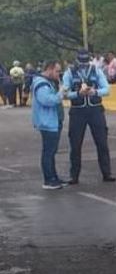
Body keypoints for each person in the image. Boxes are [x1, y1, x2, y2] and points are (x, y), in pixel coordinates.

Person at [62, 49, 116, 184]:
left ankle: (107, 173)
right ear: (77, 60)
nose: (84, 65)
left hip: (95, 110)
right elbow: (65, 93)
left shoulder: (96, 70)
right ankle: (74, 175)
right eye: (82, 62)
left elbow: (107, 89)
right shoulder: (69, 73)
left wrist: (95, 91)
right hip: (77, 111)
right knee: (75, 144)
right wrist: (77, 94)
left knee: (102, 142)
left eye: (86, 62)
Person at [31, 61, 67, 190]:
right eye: (57, 71)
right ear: (50, 69)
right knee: (48, 152)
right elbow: (47, 100)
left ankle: (54, 177)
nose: (59, 74)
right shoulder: (41, 84)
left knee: (51, 151)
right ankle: (48, 179)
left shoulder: (49, 82)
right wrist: (60, 93)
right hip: (47, 122)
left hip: (53, 121)